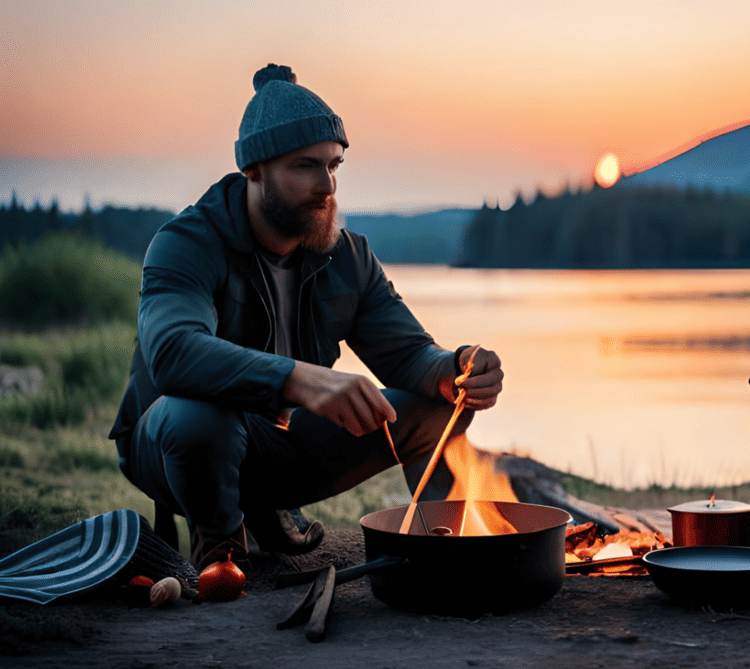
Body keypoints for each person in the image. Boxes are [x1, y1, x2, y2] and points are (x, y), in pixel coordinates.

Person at [108, 63, 503, 571]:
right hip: (172, 446)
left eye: (334, 165)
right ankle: (222, 547)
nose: (327, 185)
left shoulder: (348, 256)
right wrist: (301, 381)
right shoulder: (185, 243)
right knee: (198, 414)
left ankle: (445, 549)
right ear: (254, 170)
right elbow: (172, 354)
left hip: (283, 444)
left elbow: (409, 355)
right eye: (305, 166)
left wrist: (457, 366)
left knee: (439, 405)